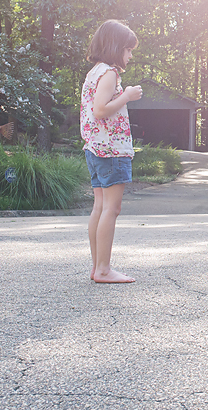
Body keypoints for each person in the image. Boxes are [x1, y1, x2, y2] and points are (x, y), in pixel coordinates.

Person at [81, 19, 143, 284]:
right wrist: (127, 95)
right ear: (117, 47)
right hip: (110, 150)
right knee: (111, 209)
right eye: (128, 50)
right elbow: (101, 109)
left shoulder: (94, 72)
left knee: (99, 207)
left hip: (95, 149)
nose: (130, 55)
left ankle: (98, 267)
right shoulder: (109, 73)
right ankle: (104, 269)